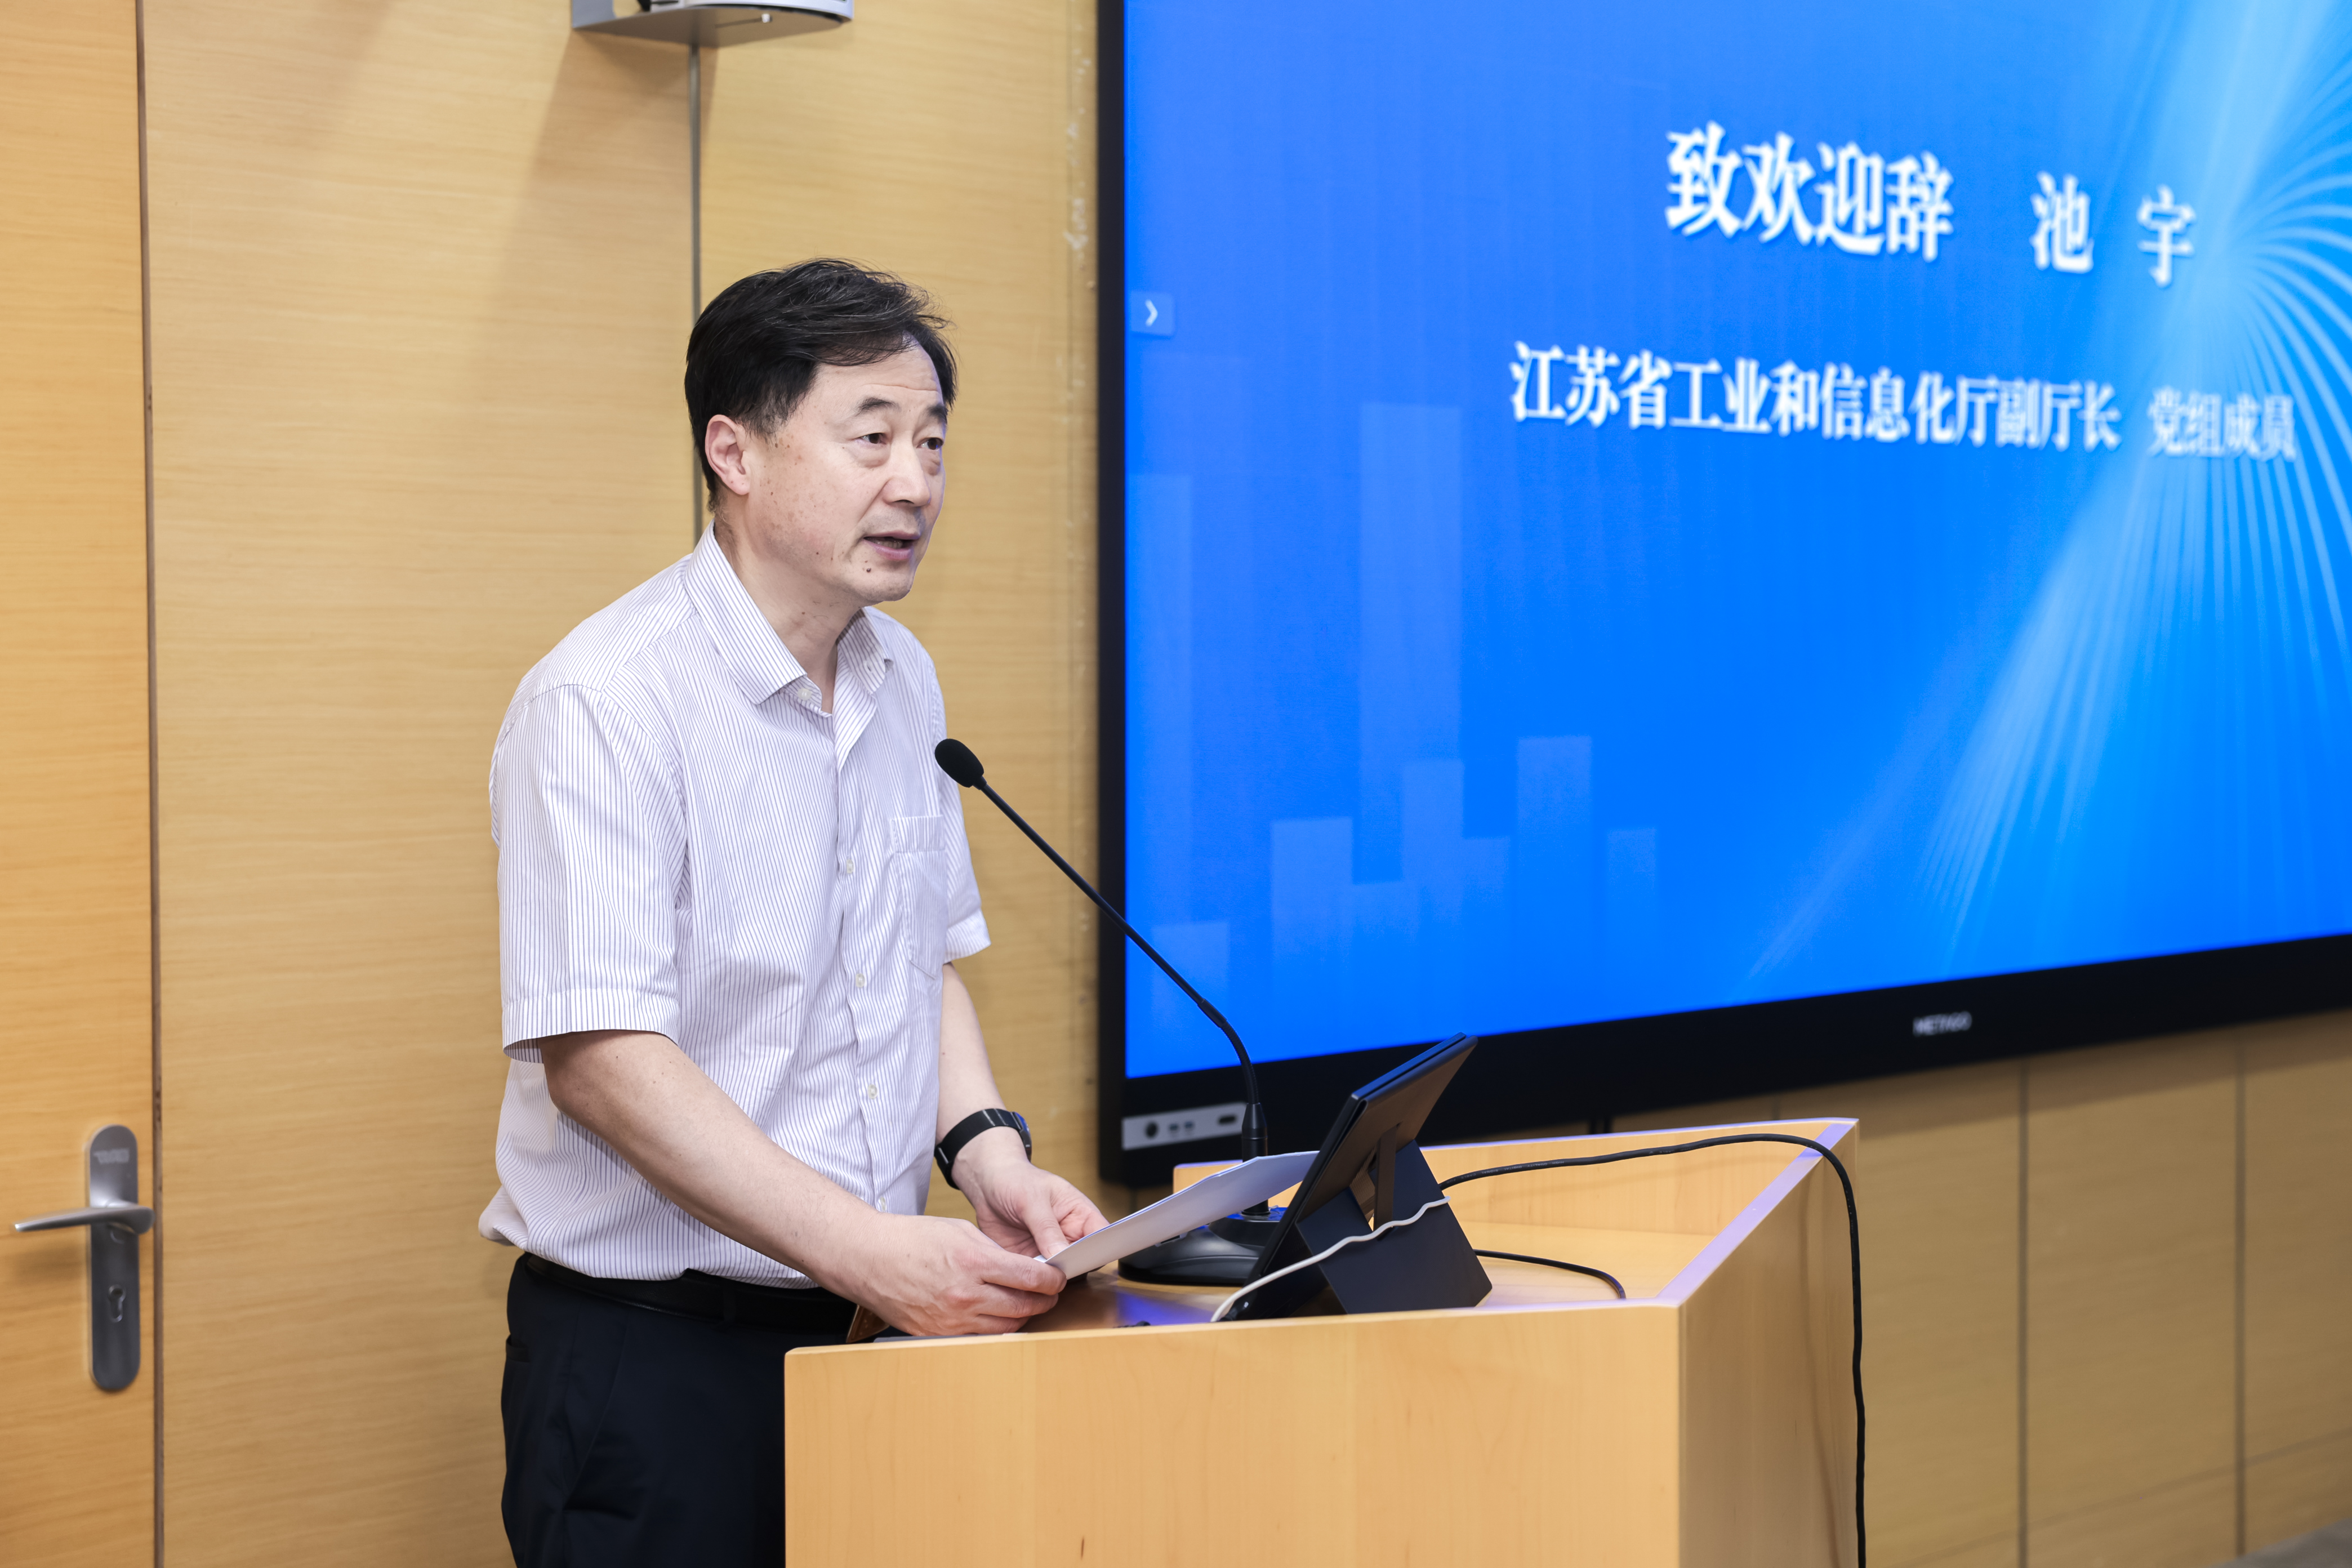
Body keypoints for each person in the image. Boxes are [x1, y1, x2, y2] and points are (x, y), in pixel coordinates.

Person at [481, 259, 1107, 1565]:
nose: (916, 483)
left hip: (870, 1331)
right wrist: (869, 1251)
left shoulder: (900, 676)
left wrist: (988, 1159)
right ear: (736, 452)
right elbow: (602, 1062)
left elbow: (918, 961)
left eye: (932, 442)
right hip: (660, 1367)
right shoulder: (606, 701)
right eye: (871, 439)